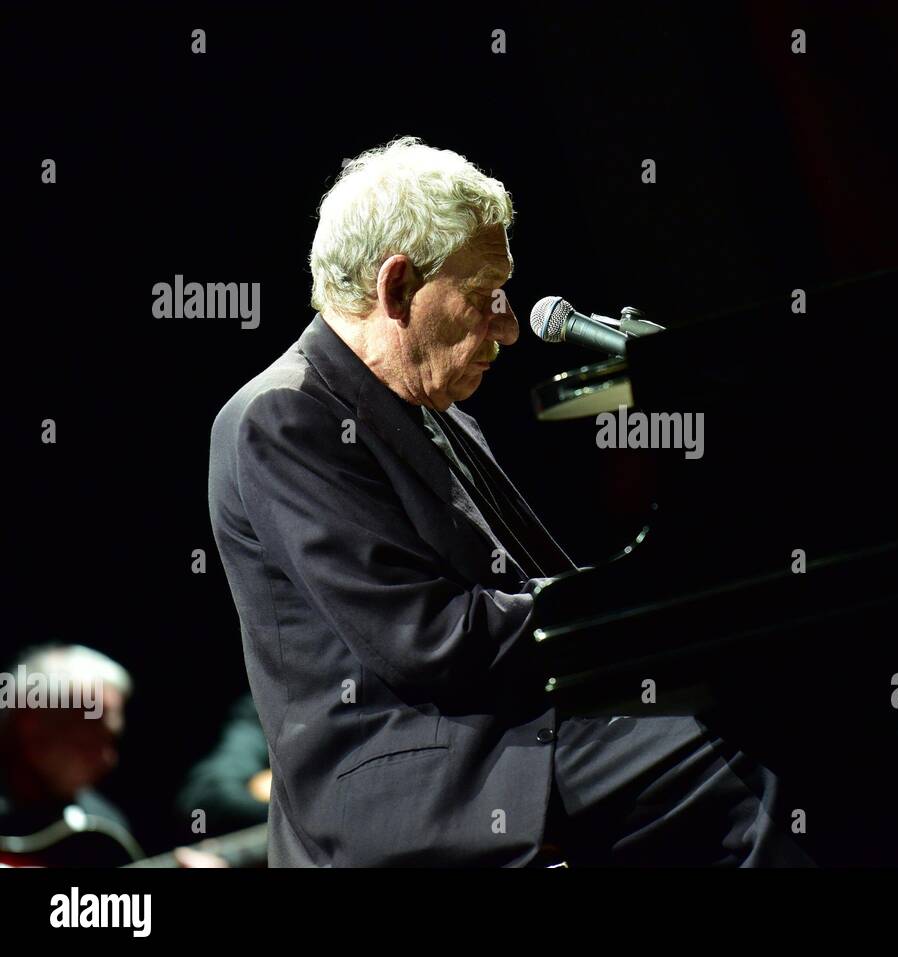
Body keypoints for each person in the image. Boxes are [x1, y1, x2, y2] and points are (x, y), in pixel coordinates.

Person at [207, 136, 811, 866]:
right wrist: (624, 601)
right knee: (745, 773)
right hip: (414, 776)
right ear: (397, 288)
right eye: (486, 296)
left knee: (775, 715)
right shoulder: (283, 414)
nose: (511, 325)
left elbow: (522, 588)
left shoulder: (440, 411)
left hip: (507, 729)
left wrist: (650, 611)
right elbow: (426, 640)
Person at [0, 644, 134, 866]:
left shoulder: (102, 827)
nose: (107, 759)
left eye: (110, 741)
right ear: (32, 727)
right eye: (90, 740)